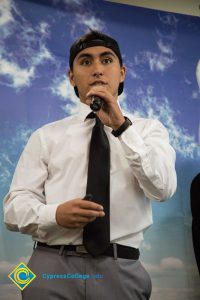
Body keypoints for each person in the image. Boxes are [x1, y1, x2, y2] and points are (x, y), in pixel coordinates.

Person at [3, 30, 177, 300]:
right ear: (72, 77)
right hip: (50, 264)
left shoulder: (149, 131)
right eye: (85, 61)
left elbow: (163, 189)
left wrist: (121, 127)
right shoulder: (45, 136)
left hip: (121, 269)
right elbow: (14, 209)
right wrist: (54, 215)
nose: (97, 69)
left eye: (107, 60)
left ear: (122, 73)